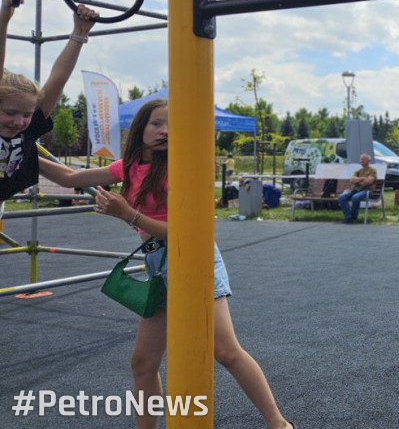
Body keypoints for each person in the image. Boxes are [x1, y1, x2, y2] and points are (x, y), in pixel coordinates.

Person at [38, 99, 293, 429]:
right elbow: (69, 176)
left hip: (194, 259)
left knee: (225, 351)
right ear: (141, 128)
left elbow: (189, 234)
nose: (165, 131)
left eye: (173, 126)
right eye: (157, 123)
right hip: (158, 263)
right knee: (143, 362)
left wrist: (129, 215)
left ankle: (279, 424)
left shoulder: (182, 168)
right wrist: (22, 154)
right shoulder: (128, 167)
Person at [0, 0, 97, 201]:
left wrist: (80, 32)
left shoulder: (26, 130)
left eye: (26, 114)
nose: (19, 121)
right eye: (10, 112)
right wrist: (4, 18)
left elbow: (58, 79)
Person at [338, 152, 377, 223]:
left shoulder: (372, 170)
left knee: (355, 197)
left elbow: (369, 182)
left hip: (367, 191)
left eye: (363, 159)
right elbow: (352, 180)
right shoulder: (358, 171)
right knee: (341, 197)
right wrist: (363, 178)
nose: (361, 161)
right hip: (355, 190)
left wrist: (358, 180)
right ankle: (348, 217)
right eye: (360, 159)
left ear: (368, 161)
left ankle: (354, 217)